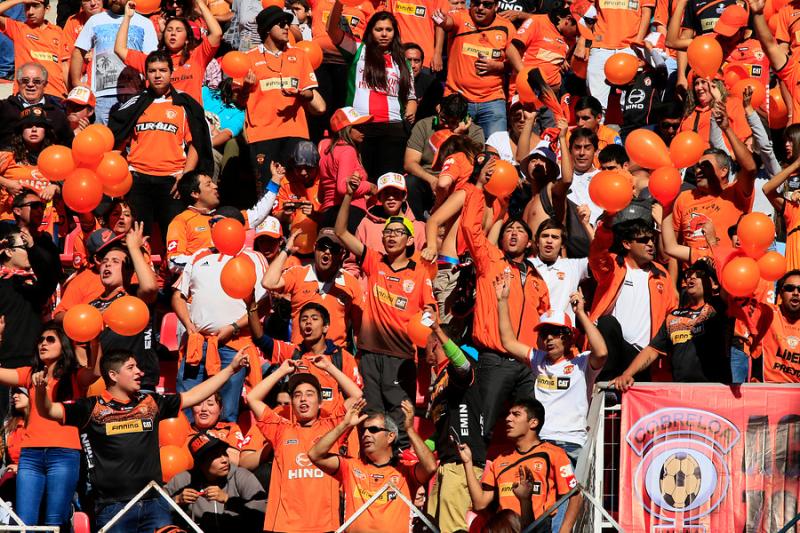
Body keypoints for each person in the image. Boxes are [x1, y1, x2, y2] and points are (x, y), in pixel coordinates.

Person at [34, 347, 250, 533]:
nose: (140, 372)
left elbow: (194, 395)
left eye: (137, 366)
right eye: (131, 368)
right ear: (113, 375)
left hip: (154, 502)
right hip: (113, 506)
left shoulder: (150, 402)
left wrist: (231, 369)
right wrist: (42, 392)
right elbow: (49, 411)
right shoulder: (91, 407)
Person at [335, 174, 437, 447]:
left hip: (401, 356)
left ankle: (400, 461)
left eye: (397, 233)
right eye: (387, 233)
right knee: (371, 416)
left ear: (410, 240)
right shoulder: (374, 261)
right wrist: (348, 196)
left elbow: (430, 312)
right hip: (369, 354)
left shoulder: (419, 272)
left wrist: (427, 340)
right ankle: (373, 461)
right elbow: (341, 232)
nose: (391, 237)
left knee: (399, 418)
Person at [459, 165, 550, 442]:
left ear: (530, 242)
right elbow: (469, 227)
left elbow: (546, 321)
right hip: (495, 359)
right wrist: (478, 187)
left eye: (520, 231)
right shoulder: (490, 260)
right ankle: (475, 467)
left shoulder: (538, 278)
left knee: (531, 429)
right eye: (509, 229)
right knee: (483, 427)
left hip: (527, 363)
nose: (513, 233)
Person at [496, 272, 606, 462]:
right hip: (541, 442)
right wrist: (502, 301)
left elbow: (602, 352)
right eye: (544, 333)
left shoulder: (582, 362)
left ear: (569, 336)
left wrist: (580, 313)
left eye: (555, 333)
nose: (548, 338)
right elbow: (508, 341)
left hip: (572, 444)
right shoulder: (538, 360)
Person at [245, 356, 363, 532]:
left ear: (320, 402)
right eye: (297, 395)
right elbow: (253, 398)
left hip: (324, 525)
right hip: (285, 526)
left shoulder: (332, 427)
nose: (303, 399)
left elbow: (356, 395)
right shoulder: (280, 429)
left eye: (309, 394)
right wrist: (281, 371)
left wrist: (329, 367)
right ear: (292, 403)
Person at [109, 50, 213, 246]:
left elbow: (196, 144)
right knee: (140, 239)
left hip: (172, 182)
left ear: (171, 72)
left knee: (173, 238)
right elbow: (118, 142)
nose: (157, 75)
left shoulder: (184, 104)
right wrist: (121, 174)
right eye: (152, 71)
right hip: (138, 180)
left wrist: (185, 176)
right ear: (146, 74)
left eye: (163, 70)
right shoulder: (135, 104)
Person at [0, 324, 98, 529]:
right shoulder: (30, 374)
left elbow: (97, 371)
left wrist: (95, 337)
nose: (43, 344)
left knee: (54, 522)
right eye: (41, 340)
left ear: (64, 346)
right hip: (30, 455)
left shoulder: (74, 376)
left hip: (64, 454)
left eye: (50, 339)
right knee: (25, 523)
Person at [172, 210, 267, 422]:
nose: (214, 226)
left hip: (233, 345)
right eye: (211, 222)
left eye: (219, 221)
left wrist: (234, 327)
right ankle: (187, 442)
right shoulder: (199, 255)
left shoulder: (254, 258)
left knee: (226, 410)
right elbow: (178, 296)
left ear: (237, 226)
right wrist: (188, 325)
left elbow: (262, 304)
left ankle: (223, 443)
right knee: (186, 408)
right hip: (197, 343)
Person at [308, 398, 438, 533]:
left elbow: (431, 467)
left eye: (373, 429)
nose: (366, 434)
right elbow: (315, 455)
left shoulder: (404, 472)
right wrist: (345, 425)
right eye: (363, 431)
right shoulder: (351, 466)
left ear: (390, 436)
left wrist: (410, 430)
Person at [455, 399, 582, 531]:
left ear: (533, 422)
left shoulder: (554, 454)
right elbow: (480, 503)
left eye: (516, 414)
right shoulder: (499, 460)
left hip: (538, 529)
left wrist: (564, 530)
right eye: (508, 414)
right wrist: (468, 463)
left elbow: (575, 496)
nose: (508, 419)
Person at [610, 260, 731, 389]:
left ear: (714, 284)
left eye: (700, 274)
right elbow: (652, 350)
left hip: (714, 389)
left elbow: (730, 284)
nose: (692, 277)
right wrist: (627, 374)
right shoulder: (674, 315)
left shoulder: (721, 308)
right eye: (689, 274)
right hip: (680, 390)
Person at [327, 6, 417, 178]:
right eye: (379, 29)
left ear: (395, 33)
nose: (384, 34)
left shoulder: (403, 61)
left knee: (387, 182)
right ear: (370, 31)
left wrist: (412, 108)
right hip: (361, 129)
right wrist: (339, 4)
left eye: (388, 30)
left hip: (393, 129)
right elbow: (331, 30)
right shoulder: (357, 49)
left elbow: (411, 95)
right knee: (362, 180)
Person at [242, 6, 325, 190]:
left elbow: (313, 98)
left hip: (296, 133)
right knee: (267, 190)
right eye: (281, 24)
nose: (287, 27)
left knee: (297, 189)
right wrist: (246, 87)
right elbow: (239, 102)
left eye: (287, 23)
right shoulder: (248, 59)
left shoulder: (300, 55)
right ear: (267, 29)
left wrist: (302, 93)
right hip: (262, 134)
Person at [591, 209, 678, 382]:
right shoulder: (612, 265)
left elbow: (672, 313)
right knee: (607, 322)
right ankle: (605, 383)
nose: (651, 244)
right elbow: (597, 253)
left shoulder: (661, 274)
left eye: (652, 239)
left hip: (643, 358)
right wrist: (606, 226)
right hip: (612, 351)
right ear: (626, 244)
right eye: (643, 240)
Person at [248, 301, 363, 415]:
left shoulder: (342, 357)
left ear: (325, 327)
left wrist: (338, 418)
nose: (308, 322)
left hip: (333, 423)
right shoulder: (293, 352)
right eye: (304, 319)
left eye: (314, 318)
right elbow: (260, 339)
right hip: (300, 424)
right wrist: (251, 305)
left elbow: (357, 395)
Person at [424, 319, 485, 533]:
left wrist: (436, 329)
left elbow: (463, 366)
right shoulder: (438, 380)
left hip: (462, 464)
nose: (423, 350)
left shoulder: (456, 367)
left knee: (452, 529)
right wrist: (422, 448)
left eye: (426, 344)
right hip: (446, 463)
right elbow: (441, 430)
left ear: (434, 344)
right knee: (431, 526)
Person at [672, 101, 757, 253]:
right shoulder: (684, 198)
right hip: (692, 268)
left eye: (706, 166)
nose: (698, 170)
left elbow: (749, 168)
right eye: (697, 166)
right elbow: (674, 250)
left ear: (724, 171)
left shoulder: (735, 194)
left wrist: (727, 129)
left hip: (728, 266)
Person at [433, 0, 524, 138]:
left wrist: (497, 66)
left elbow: (515, 64)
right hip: (458, 99)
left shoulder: (507, 27)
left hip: (493, 101)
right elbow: (447, 22)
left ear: (496, 7)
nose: (480, 8)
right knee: (454, 147)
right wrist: (442, 19)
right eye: (477, 3)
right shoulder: (461, 16)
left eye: (487, 4)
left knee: (496, 147)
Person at [263, 228, 363, 348]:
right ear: (314, 247)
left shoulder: (351, 283)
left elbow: (359, 329)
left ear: (342, 254)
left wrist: (357, 357)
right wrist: (286, 250)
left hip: (335, 356)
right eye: (322, 246)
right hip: (300, 355)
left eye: (334, 249)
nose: (327, 252)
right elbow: (268, 282)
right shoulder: (298, 274)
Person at [167, 170, 280, 275]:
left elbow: (257, 214)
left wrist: (275, 180)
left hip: (229, 280)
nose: (215, 186)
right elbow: (174, 261)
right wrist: (208, 261)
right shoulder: (181, 221)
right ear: (195, 193)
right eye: (208, 184)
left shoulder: (225, 216)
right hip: (199, 284)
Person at [115, 0, 221, 103]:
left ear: (187, 39)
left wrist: (200, 2)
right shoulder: (153, 61)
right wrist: (127, 17)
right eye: (169, 30)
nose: (173, 33)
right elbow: (120, 49)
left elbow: (217, 33)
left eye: (178, 30)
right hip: (160, 113)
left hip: (189, 114)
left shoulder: (197, 56)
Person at [71, 0, 159, 124]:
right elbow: (78, 51)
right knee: (102, 135)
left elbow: (151, 59)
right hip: (102, 96)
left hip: (135, 95)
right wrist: (76, 81)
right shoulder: (95, 20)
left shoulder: (145, 23)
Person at [0, 225, 60, 401]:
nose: (29, 251)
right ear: (8, 251)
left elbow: (50, 277)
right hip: (4, 363)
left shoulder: (33, 285)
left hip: (32, 363)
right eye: (24, 246)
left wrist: (33, 247)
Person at [403, 93, 485, 220]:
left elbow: (475, 164)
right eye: (443, 119)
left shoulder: (474, 132)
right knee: (410, 182)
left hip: (457, 183)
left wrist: (458, 136)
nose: (446, 125)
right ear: (438, 108)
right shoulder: (424, 125)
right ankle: (417, 223)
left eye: (453, 122)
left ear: (464, 120)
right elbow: (409, 163)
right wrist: (432, 180)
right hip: (428, 180)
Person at [166, 433, 267, 531]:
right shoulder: (184, 479)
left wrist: (228, 499)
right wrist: (177, 500)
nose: (224, 460)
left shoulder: (241, 476)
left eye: (224, 453)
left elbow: (263, 513)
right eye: (215, 456)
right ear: (201, 463)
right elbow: (157, 508)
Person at [585, 0, 653, 110]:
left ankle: (627, 121)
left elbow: (646, 13)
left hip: (630, 46)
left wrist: (637, 42)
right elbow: (588, 9)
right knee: (596, 101)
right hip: (599, 45)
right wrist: (584, 41)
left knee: (629, 102)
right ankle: (598, 121)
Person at [317, 106, 373, 231]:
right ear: (346, 129)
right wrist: (370, 187)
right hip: (350, 213)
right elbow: (343, 188)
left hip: (326, 214)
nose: (363, 130)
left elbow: (321, 195)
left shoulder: (327, 151)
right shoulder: (348, 150)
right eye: (357, 127)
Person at [0, 0, 69, 99]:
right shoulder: (19, 28)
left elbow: (64, 65)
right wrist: (20, 0)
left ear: (47, 9)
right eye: (27, 7)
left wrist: (70, 91)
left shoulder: (58, 32)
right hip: (26, 94)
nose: (30, 12)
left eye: (35, 6)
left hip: (56, 94)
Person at [530, 218, 590, 322]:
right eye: (545, 236)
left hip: (563, 330)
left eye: (555, 237)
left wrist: (586, 225)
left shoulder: (574, 266)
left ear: (562, 244)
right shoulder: (526, 265)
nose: (549, 241)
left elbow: (601, 259)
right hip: (532, 329)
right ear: (537, 242)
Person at [0, 62, 71, 146]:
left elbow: (68, 146)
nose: (30, 84)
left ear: (45, 84)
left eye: (37, 81)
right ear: (18, 82)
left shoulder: (57, 114)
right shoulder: (4, 108)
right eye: (25, 80)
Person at [755, 270, 800, 383]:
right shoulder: (766, 313)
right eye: (790, 288)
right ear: (780, 292)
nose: (796, 293)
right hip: (768, 388)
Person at [404, 43, 443, 121]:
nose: (412, 65)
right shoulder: (392, 82)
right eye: (408, 60)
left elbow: (439, 110)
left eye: (416, 61)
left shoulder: (432, 84)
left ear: (422, 65)